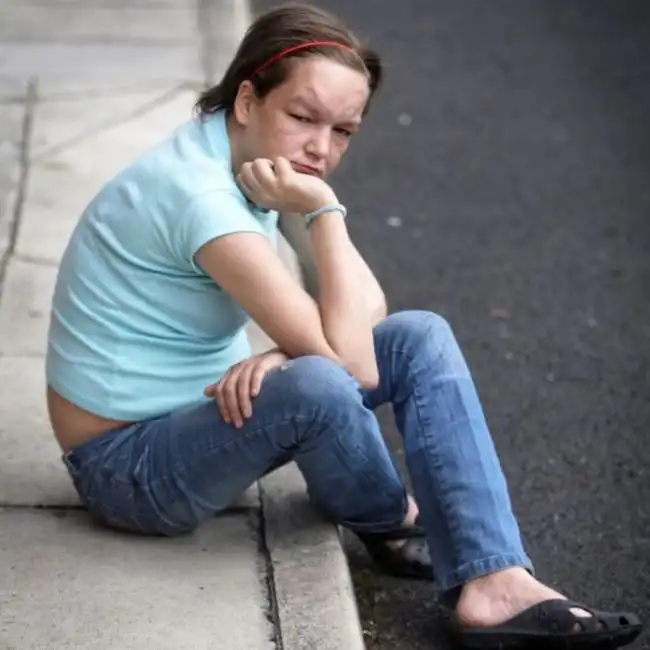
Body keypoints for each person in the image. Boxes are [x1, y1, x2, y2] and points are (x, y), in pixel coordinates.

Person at [45, 3, 642, 648]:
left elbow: (369, 306)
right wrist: (324, 211)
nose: (321, 149)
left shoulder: (260, 165)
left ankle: (493, 578)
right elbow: (350, 368)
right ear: (246, 99)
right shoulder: (201, 199)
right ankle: (390, 517)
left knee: (418, 336)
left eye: (343, 131)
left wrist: (283, 348)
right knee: (319, 385)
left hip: (202, 417)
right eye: (302, 117)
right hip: (127, 469)